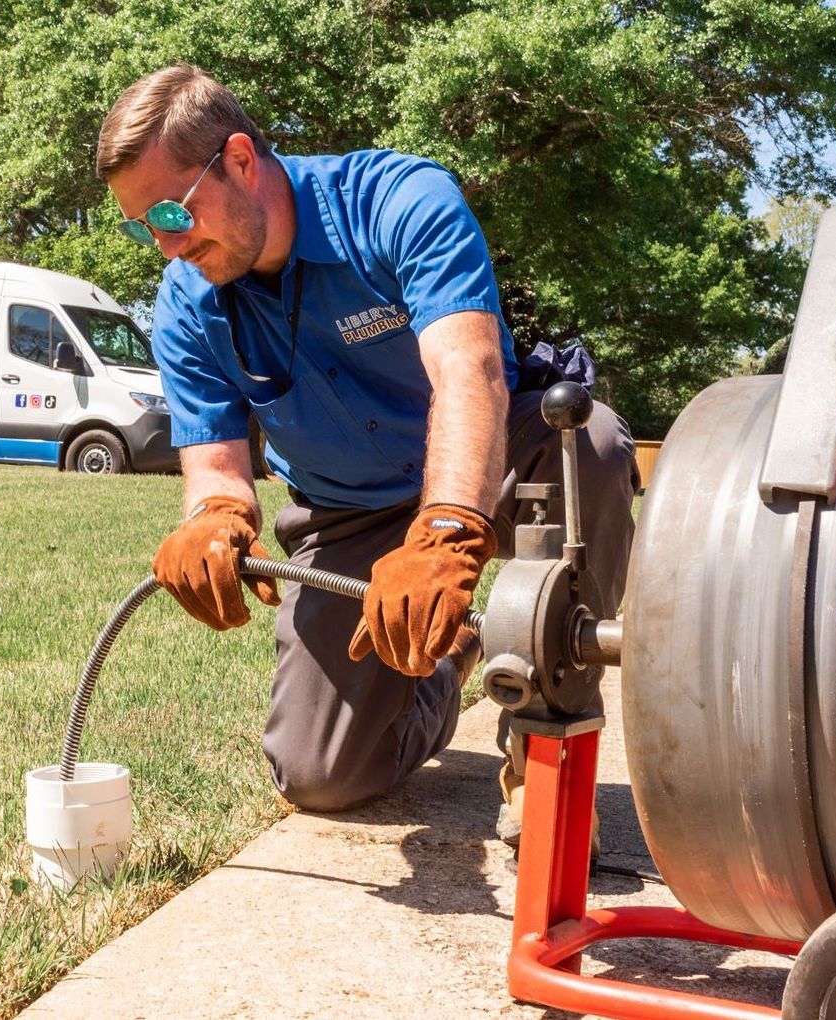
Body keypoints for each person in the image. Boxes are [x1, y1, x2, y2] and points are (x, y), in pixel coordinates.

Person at [96, 65, 636, 842]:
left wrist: (448, 530)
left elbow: (470, 373)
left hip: (497, 462)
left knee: (591, 439)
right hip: (346, 509)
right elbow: (218, 470)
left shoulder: (397, 203)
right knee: (319, 776)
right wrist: (212, 519)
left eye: (175, 210)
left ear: (241, 161)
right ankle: (450, 666)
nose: (167, 244)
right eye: (142, 224)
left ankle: (546, 751)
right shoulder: (186, 302)